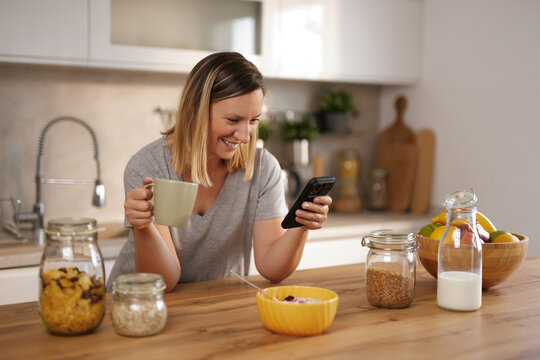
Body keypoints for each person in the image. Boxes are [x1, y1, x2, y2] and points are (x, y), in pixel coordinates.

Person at [107, 52, 332, 292]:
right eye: (233, 120)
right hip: (137, 303)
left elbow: (272, 268)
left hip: (214, 306)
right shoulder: (150, 167)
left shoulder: (262, 168)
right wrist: (144, 227)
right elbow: (164, 281)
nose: (245, 136)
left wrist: (302, 225)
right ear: (197, 111)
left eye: (254, 120)